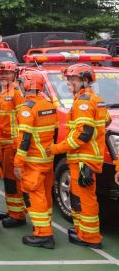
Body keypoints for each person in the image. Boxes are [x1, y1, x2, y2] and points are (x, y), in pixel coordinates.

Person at [52, 64, 110, 249]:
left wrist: (56, 148)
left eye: (73, 80)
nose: (69, 83)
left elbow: (83, 134)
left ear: (85, 81)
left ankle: (91, 238)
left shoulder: (83, 102)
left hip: (84, 159)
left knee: (85, 199)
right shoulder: (95, 99)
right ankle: (82, 232)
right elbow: (106, 120)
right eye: (68, 79)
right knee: (78, 197)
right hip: (86, 158)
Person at [14, 70, 57, 249]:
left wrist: (18, 163)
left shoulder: (27, 108)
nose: (19, 86)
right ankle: (44, 225)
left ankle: (43, 234)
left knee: (35, 194)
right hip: (47, 158)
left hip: (33, 160)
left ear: (28, 85)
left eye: (22, 82)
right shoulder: (49, 104)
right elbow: (53, 131)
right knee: (46, 195)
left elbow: (25, 139)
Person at [0, 61, 27, 228]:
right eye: (1, 74)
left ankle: (17, 215)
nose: (3, 76)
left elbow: (24, 120)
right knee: (8, 179)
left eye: (6, 73)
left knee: (12, 180)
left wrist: (18, 144)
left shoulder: (16, 92)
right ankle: (12, 210)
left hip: (13, 145)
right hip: (4, 144)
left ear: (14, 74)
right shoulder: (2, 92)